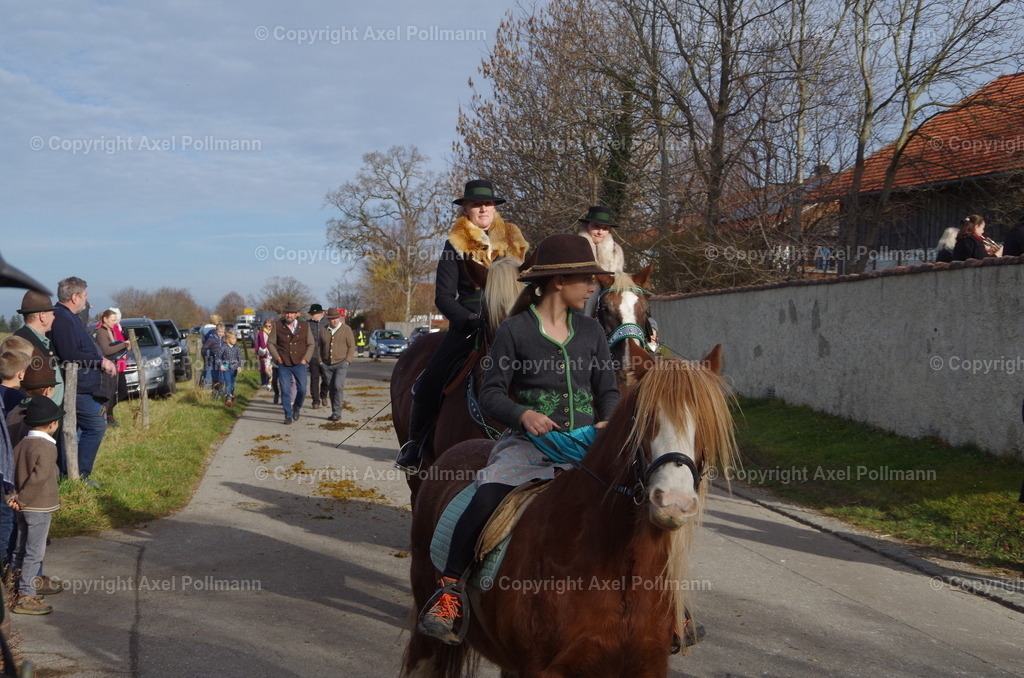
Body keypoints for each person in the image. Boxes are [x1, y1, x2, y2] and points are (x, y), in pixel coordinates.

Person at [417, 233, 620, 641]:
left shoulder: (592, 332)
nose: (592, 286)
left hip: (588, 446)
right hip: (528, 446)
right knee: (486, 497)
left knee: (639, 501)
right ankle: (449, 591)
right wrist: (523, 414)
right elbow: (491, 392)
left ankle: (669, 606)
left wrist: (609, 420)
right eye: (586, 279)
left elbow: (609, 391)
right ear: (559, 281)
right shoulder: (514, 331)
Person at [394, 179, 529, 473]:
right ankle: (415, 445)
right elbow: (443, 296)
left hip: (515, 320)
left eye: (488, 204)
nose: (483, 208)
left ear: (494, 208)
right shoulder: (454, 244)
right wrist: (469, 319)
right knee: (429, 380)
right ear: (466, 209)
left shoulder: (515, 243)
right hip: (470, 321)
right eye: (477, 204)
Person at [48, 277, 116, 486]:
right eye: (85, 296)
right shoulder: (62, 318)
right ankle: (80, 477)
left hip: (82, 386)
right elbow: (70, 354)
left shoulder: (68, 316)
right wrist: (100, 360)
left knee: (74, 431)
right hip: (76, 388)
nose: (87, 300)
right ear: (75, 297)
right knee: (95, 426)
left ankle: (71, 475)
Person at [8, 396, 63, 615]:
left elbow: (11, 471)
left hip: (21, 506)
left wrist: (13, 497)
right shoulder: (47, 447)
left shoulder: (22, 442)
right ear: (52, 424)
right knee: (34, 552)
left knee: (21, 549)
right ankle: (26, 596)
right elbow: (39, 478)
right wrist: (22, 499)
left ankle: (16, 588)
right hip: (37, 506)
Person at [268, 303, 314, 425]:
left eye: (292, 313)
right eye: (287, 313)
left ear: (297, 314)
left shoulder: (305, 326)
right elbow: (270, 343)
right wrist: (277, 358)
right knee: (285, 389)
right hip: (284, 363)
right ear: (284, 314)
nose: (289, 315)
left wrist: (306, 359)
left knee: (303, 390)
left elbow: (311, 344)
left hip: (300, 363)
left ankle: (297, 408)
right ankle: (288, 415)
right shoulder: (278, 326)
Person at [319, 308, 356, 422]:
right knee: (331, 388)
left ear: (339, 318)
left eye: (335, 318)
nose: (334, 321)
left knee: (338, 386)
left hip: (341, 363)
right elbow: (319, 346)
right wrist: (320, 361)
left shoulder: (346, 329)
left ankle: (337, 412)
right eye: (331, 319)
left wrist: (347, 360)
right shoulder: (323, 330)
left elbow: (351, 346)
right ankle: (334, 411)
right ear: (328, 320)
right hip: (326, 364)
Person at [95, 309, 130, 427]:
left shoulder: (111, 330)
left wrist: (124, 349)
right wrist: (124, 344)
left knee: (119, 392)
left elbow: (114, 348)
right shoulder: (102, 332)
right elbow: (107, 350)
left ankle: (107, 414)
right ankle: (104, 416)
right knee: (109, 394)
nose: (114, 322)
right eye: (112, 320)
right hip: (107, 368)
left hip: (115, 365)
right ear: (105, 319)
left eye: (116, 320)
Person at [306, 304, 327, 409]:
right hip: (313, 355)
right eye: (311, 314)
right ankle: (315, 400)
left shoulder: (327, 323)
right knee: (314, 378)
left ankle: (324, 395)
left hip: (325, 355)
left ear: (320, 313)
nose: (312, 316)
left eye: (313, 314)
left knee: (326, 378)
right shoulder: (308, 324)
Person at [218, 331, 243, 408]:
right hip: (226, 367)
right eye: (232, 338)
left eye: (235, 338)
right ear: (228, 339)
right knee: (228, 382)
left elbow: (240, 358)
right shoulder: (224, 347)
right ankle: (228, 397)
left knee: (232, 384)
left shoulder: (237, 348)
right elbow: (218, 357)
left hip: (234, 368)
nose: (234, 340)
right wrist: (220, 365)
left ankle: (231, 396)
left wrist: (240, 366)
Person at [202, 323, 226, 397]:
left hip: (224, 361)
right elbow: (204, 349)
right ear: (216, 331)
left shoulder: (224, 339)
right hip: (214, 362)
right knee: (215, 378)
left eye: (222, 332)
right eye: (219, 332)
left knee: (223, 377)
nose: (221, 334)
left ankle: (221, 394)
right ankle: (214, 393)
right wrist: (206, 358)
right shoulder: (211, 339)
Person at [254, 319, 274, 391]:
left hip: (273, 353)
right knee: (264, 369)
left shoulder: (274, 333)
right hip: (263, 353)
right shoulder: (260, 333)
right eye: (266, 326)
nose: (268, 328)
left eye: (269, 326)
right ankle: (265, 382)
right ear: (263, 326)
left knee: (271, 369)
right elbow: (257, 343)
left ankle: (270, 383)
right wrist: (256, 352)